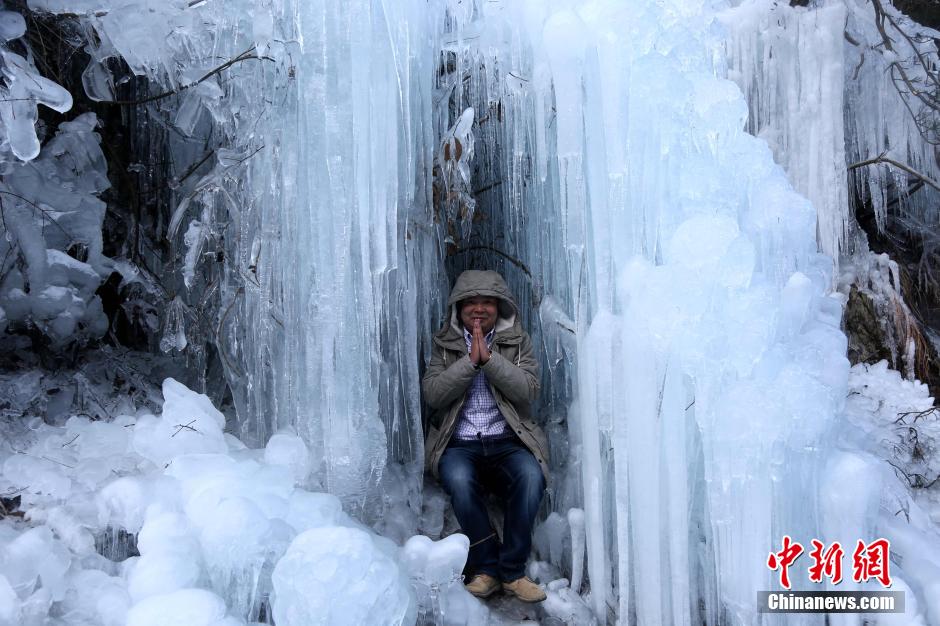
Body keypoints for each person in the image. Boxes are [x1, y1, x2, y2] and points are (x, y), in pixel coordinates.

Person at [422, 269, 550, 603]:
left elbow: (528, 391)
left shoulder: (517, 341)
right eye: (471, 303)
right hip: (460, 444)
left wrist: (490, 361)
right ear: (459, 308)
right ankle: (486, 568)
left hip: (508, 441)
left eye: (487, 302)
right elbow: (433, 394)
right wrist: (469, 363)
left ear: (500, 306)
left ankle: (513, 572)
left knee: (531, 477)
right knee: (460, 482)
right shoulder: (444, 344)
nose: (479, 309)